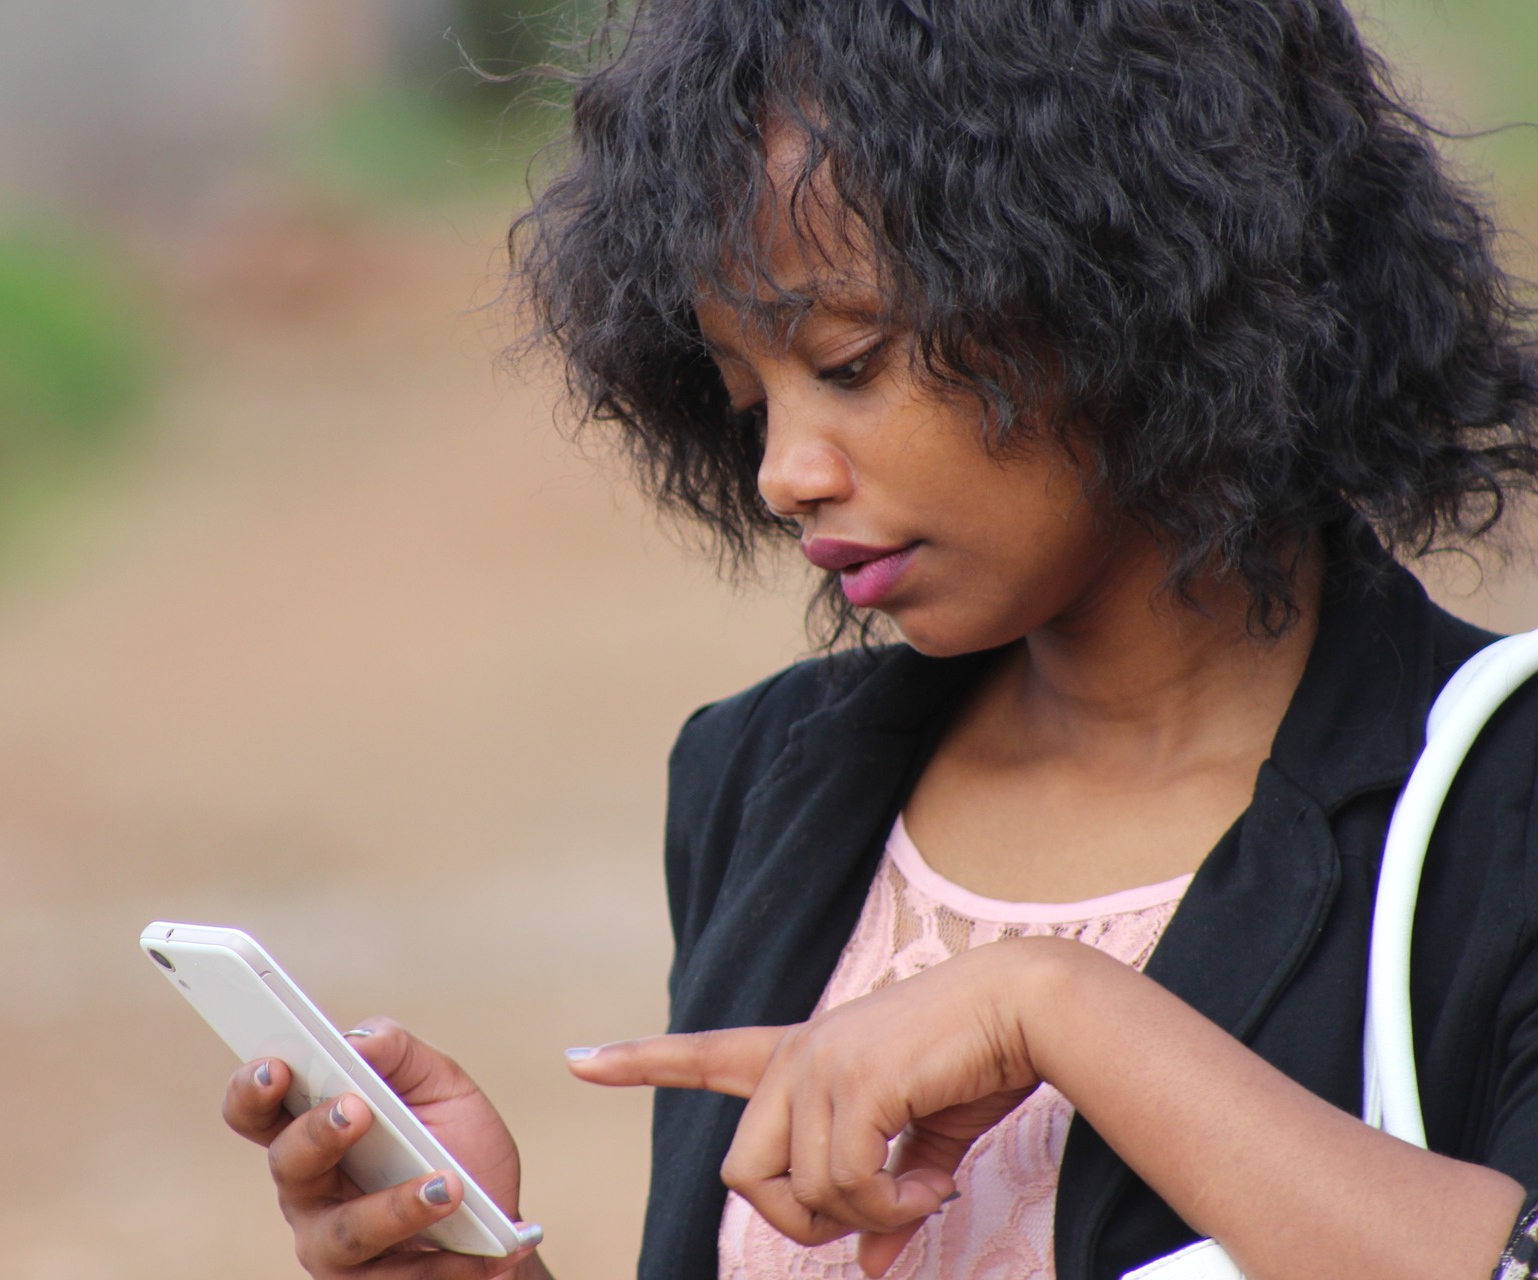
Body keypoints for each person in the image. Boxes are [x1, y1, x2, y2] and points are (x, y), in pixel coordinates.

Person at [220, 1, 1538, 1277]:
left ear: (1133, 278)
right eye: (748, 399)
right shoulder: (765, 776)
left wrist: (1058, 1006)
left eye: (849, 361)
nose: (785, 471)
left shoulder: (1502, 797)